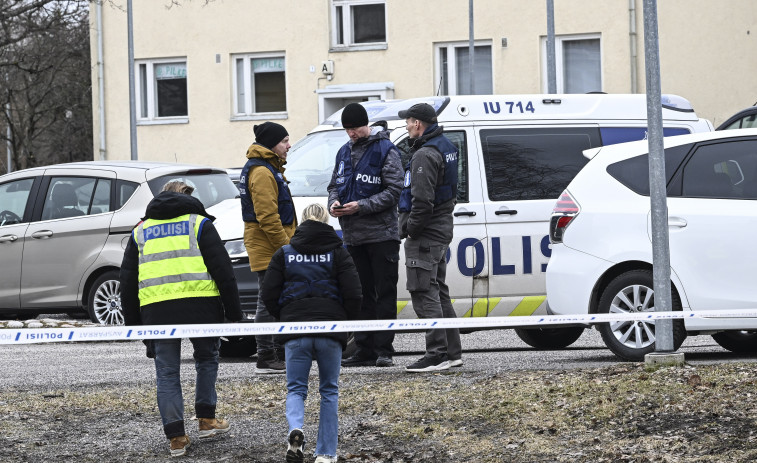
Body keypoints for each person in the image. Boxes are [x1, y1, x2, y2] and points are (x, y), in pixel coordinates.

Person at [120, 180, 243, 458]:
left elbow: (126, 281)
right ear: (188, 199)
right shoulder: (199, 224)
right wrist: (235, 316)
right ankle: (207, 420)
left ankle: (176, 438)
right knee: (207, 359)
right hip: (202, 307)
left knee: (167, 374)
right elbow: (224, 272)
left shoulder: (141, 230)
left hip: (157, 311)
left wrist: (135, 326)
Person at [261, 203, 362, 463]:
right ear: (326, 222)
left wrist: (284, 316)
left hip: (296, 329)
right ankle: (325, 453)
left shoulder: (284, 253)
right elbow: (353, 293)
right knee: (329, 390)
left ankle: (296, 429)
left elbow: (268, 294)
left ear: (301, 222)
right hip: (330, 329)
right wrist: (344, 320)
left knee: (296, 389)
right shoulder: (339, 252)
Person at [327, 103, 403, 368]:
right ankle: (364, 348)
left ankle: (384, 350)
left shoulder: (386, 150)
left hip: (382, 236)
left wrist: (361, 206)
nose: (351, 134)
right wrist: (334, 204)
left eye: (355, 129)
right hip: (353, 237)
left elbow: (395, 191)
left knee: (384, 293)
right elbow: (334, 185)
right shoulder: (343, 152)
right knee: (360, 295)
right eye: (347, 130)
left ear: (366, 125)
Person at [397, 103, 463, 373]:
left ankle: (436, 354)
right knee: (438, 291)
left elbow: (422, 201)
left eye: (408, 122)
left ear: (418, 124)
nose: (406, 126)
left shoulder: (424, 154)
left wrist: (411, 229)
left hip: (426, 233)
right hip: (440, 228)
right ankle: (452, 352)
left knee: (424, 291)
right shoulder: (445, 146)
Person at [239, 121, 297, 373]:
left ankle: (278, 353)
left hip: (271, 246)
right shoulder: (262, 172)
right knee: (266, 301)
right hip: (269, 247)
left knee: (276, 300)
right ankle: (265, 355)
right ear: (272, 143)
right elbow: (268, 217)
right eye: (284, 141)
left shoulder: (267, 167)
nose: (288, 145)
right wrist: (286, 247)